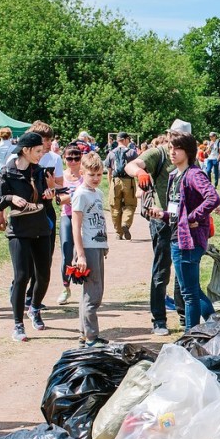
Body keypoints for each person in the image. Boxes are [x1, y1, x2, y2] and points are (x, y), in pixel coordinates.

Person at [0, 132, 55, 343]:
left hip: (41, 229)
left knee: (43, 275)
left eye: (42, 151)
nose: (41, 155)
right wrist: (10, 198)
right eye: (37, 151)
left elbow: (45, 202)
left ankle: (34, 308)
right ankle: (18, 324)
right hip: (19, 231)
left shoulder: (41, 172)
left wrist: (49, 196)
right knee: (22, 276)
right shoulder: (7, 173)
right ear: (25, 150)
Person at [127, 130, 185, 336]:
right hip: (161, 220)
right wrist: (140, 173)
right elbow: (131, 165)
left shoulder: (189, 155)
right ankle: (159, 319)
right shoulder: (158, 153)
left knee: (182, 271)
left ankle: (184, 316)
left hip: (183, 221)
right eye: (174, 138)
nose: (176, 144)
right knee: (162, 270)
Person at [160, 132, 219, 329]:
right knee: (192, 290)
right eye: (170, 148)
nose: (172, 152)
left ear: (188, 151)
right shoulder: (174, 175)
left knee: (189, 294)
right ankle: (216, 324)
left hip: (189, 241)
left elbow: (213, 198)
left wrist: (192, 218)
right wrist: (162, 214)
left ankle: (191, 336)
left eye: (177, 148)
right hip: (178, 237)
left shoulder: (193, 174)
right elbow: (176, 208)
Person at [70, 153, 110, 346]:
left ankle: (84, 333)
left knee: (92, 291)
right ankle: (92, 337)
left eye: (99, 174)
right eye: (91, 174)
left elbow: (99, 221)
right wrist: (81, 254)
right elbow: (75, 226)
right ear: (82, 173)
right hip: (87, 248)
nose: (95, 178)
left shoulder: (98, 193)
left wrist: (105, 244)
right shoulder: (80, 194)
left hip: (97, 246)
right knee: (93, 294)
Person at [56, 144, 83, 305]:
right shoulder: (61, 177)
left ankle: (86, 285)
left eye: (76, 158)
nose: (73, 161)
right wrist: (78, 195)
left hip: (83, 218)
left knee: (83, 253)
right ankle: (66, 287)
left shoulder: (85, 175)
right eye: (69, 158)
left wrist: (70, 196)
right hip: (67, 216)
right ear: (64, 159)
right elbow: (60, 200)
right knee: (66, 253)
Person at [104, 132, 138, 240]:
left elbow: (109, 172)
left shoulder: (111, 153)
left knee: (115, 207)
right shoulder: (132, 153)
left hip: (115, 181)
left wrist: (110, 185)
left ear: (118, 140)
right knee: (130, 205)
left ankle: (118, 232)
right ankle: (125, 224)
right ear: (126, 139)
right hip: (129, 181)